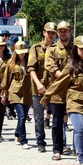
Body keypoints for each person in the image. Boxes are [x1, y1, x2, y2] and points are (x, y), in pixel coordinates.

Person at [43, 35, 83, 165]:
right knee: (80, 127)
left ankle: (81, 150)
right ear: (76, 49)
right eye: (82, 49)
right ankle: (81, 158)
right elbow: (59, 82)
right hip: (74, 102)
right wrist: (47, 96)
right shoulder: (71, 66)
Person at [44, 20, 74, 160]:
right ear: (57, 33)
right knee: (57, 122)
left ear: (70, 32)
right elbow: (51, 67)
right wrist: (64, 78)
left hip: (74, 91)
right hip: (57, 91)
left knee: (78, 121)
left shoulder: (76, 49)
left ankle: (77, 148)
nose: (63, 33)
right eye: (60, 31)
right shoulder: (52, 49)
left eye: (65, 30)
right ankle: (57, 149)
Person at [28, 22, 57, 153]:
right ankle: (40, 141)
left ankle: (59, 143)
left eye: (53, 33)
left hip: (55, 88)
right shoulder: (35, 48)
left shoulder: (58, 49)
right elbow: (31, 69)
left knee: (57, 116)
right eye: (48, 32)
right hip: (38, 88)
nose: (50, 35)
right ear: (43, 33)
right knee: (39, 118)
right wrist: (38, 84)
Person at [1, 41, 32, 149]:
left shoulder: (30, 62)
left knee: (22, 118)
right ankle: (24, 141)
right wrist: (4, 95)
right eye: (20, 52)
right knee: (22, 116)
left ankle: (17, 134)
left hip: (27, 92)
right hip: (15, 93)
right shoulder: (11, 63)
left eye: (24, 52)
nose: (22, 54)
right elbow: (6, 80)